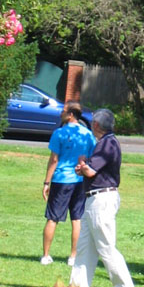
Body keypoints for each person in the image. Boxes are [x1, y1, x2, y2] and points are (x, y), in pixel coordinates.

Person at [69, 108, 137, 287]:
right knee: (85, 245)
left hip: (102, 199)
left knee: (106, 246)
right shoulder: (106, 143)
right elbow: (90, 169)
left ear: (96, 125)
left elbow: (90, 172)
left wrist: (82, 164)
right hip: (94, 198)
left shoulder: (107, 144)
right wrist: (83, 166)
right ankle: (79, 286)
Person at [40, 102, 96, 265]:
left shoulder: (59, 133)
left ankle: (46, 255)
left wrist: (46, 182)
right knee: (77, 219)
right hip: (80, 181)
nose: (60, 113)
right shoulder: (87, 134)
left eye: (63, 111)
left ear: (71, 114)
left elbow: (54, 159)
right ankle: (73, 257)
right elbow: (91, 157)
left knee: (52, 218)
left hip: (61, 180)